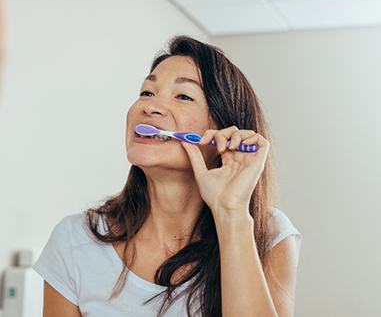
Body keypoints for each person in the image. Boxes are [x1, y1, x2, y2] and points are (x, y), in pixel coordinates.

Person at [32, 35, 302, 316]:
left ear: (223, 133)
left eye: (183, 96)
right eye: (147, 92)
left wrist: (230, 213)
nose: (149, 107)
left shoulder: (268, 234)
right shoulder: (75, 241)